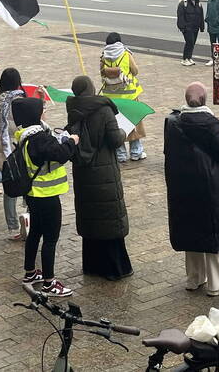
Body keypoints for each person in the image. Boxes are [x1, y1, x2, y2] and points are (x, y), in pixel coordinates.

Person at [163, 82, 219, 297]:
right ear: (205, 101)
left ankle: (194, 277)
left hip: (182, 185)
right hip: (209, 186)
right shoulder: (209, 124)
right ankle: (216, 283)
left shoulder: (172, 123)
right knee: (210, 232)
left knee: (191, 230)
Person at [66, 75, 132, 281]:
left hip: (84, 173)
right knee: (109, 217)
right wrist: (123, 131)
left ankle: (92, 265)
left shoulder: (73, 109)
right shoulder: (104, 109)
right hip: (104, 172)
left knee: (91, 216)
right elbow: (114, 140)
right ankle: (114, 268)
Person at [14, 97, 80, 297]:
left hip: (33, 194)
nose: (45, 112)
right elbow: (60, 154)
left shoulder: (26, 135)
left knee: (35, 232)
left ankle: (30, 272)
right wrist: (72, 141)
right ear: (35, 115)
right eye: (42, 110)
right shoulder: (39, 139)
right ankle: (50, 283)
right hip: (46, 195)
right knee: (51, 238)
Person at [0, 67, 25, 237]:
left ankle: (13, 227)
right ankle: (29, 219)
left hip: (2, 151)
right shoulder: (18, 100)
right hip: (17, 150)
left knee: (9, 189)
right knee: (27, 185)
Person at [100, 33, 146, 162]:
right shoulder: (126, 54)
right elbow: (135, 71)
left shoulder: (104, 57)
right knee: (133, 123)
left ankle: (120, 155)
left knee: (117, 124)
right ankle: (136, 152)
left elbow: (102, 74)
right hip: (129, 95)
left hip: (112, 98)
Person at [176, 0, 205, 66]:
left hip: (195, 27)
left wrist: (202, 27)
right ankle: (185, 59)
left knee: (193, 43)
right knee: (189, 42)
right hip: (187, 27)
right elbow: (180, 16)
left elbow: (201, 16)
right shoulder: (183, 3)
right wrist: (182, 27)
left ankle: (189, 57)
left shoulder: (198, 4)